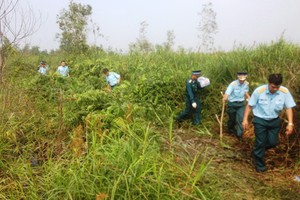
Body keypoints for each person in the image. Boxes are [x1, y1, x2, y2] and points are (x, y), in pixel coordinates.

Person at [242, 74, 296, 172]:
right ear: (268, 83)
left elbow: (288, 108)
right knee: (261, 141)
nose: (275, 89)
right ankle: (260, 165)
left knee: (273, 142)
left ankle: (257, 150)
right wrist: (245, 119)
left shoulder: (284, 92)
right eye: (273, 87)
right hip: (260, 120)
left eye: (277, 87)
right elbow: (250, 105)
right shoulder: (259, 91)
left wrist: (290, 123)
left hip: (274, 120)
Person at [223, 72, 250, 140]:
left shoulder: (246, 84)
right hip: (232, 104)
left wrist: (249, 98)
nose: (242, 80)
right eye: (240, 79)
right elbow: (227, 93)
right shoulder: (233, 84)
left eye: (243, 79)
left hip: (241, 104)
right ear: (238, 78)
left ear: (245, 78)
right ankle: (230, 129)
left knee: (240, 119)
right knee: (232, 119)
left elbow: (246, 92)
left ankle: (239, 135)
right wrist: (225, 98)